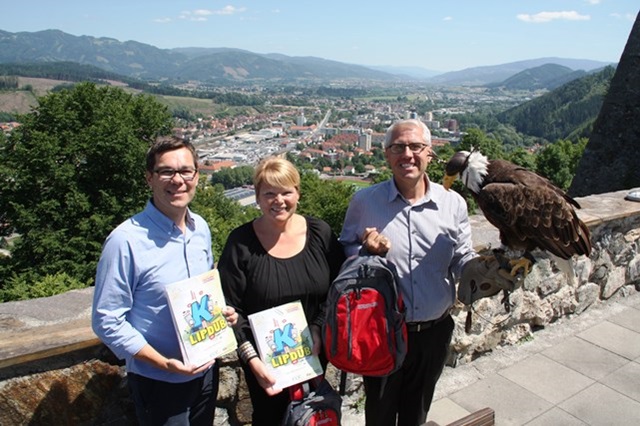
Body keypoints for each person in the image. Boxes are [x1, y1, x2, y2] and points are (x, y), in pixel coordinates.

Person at [340, 119, 514, 426]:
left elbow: (461, 258)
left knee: (416, 416)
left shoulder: (453, 204)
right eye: (398, 147)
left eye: (415, 146)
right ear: (387, 155)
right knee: (378, 416)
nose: (407, 154)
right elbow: (345, 254)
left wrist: (484, 272)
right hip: (383, 333)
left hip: (434, 332)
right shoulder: (364, 202)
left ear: (429, 153)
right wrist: (365, 250)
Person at [92, 136, 238, 426]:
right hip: (159, 380)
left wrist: (221, 313)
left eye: (186, 171)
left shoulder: (201, 229)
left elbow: (201, 292)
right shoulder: (125, 241)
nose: (178, 180)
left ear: (197, 175)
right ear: (150, 178)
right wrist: (163, 363)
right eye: (167, 172)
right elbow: (107, 319)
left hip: (206, 370)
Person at [218, 156, 346, 425]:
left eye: (286, 192)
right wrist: (253, 362)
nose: (279, 200)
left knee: (315, 417)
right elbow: (231, 310)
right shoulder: (240, 243)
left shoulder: (320, 233)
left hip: (314, 356)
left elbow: (338, 290)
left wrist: (318, 327)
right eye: (269, 193)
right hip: (265, 366)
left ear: (298, 193)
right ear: (257, 197)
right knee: (270, 419)